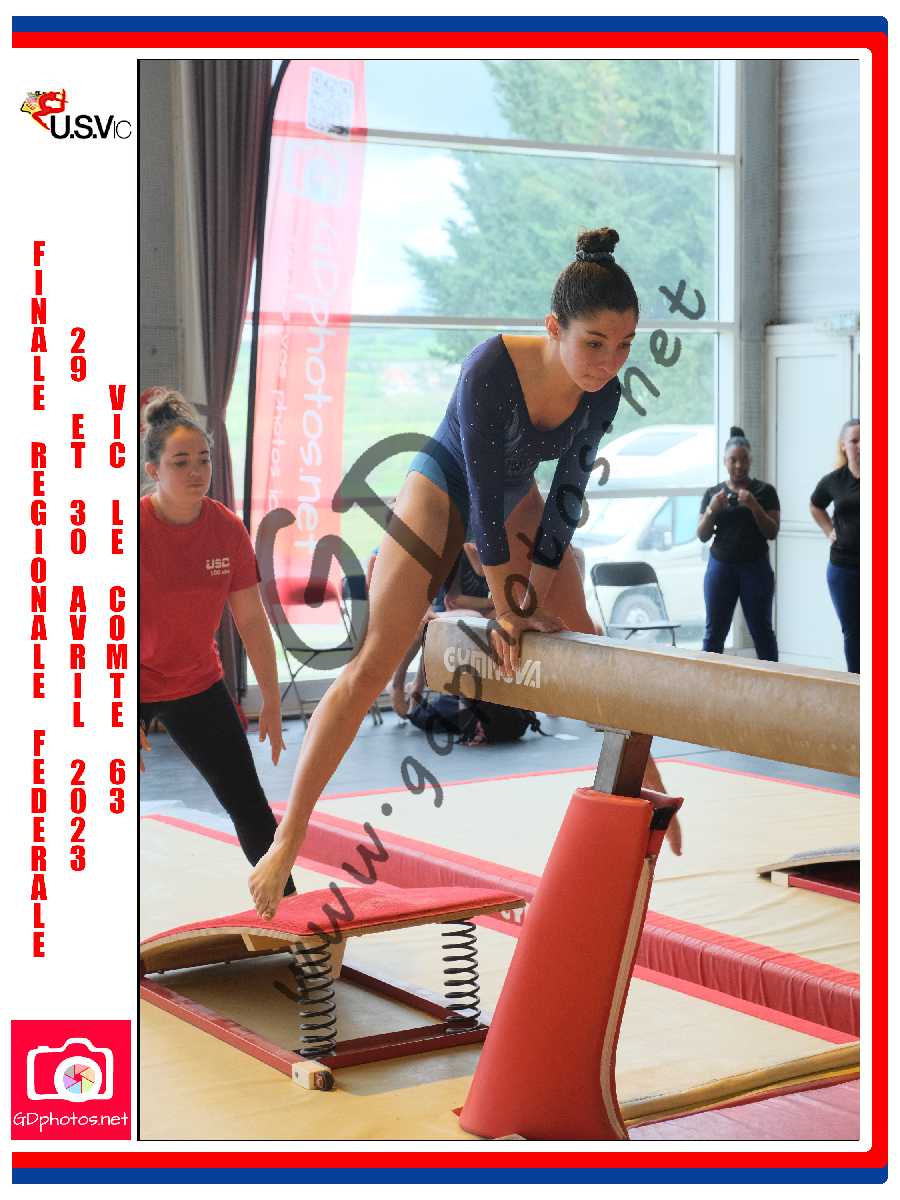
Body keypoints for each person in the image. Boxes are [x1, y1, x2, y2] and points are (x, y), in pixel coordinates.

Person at [250, 227, 672, 919]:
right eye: (594, 343)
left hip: (516, 496)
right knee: (372, 663)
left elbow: (566, 498)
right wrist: (507, 608)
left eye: (624, 345)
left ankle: (648, 789)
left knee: (586, 632)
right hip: (444, 485)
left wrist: (532, 599)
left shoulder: (603, 394)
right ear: (554, 328)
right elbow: (477, 493)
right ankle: (288, 835)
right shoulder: (491, 367)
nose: (608, 362)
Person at [139, 390, 295, 894]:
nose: (196, 471)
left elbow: (251, 620)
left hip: (195, 682)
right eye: (180, 462)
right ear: (153, 470)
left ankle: (289, 915)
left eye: (203, 459)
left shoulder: (226, 529)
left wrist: (271, 698)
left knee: (249, 805)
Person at [697, 427, 780, 661]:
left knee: (762, 632)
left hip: (756, 568)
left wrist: (754, 505)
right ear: (725, 461)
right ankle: (708, 680)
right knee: (714, 633)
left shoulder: (765, 492)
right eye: (733, 460)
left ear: (750, 461)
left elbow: (772, 531)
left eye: (743, 460)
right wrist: (712, 509)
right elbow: (702, 535)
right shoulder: (713, 493)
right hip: (721, 567)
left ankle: (772, 681)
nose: (738, 465)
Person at [810, 419, 860, 673]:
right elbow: (815, 504)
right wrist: (829, 530)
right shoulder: (834, 480)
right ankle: (857, 684)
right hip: (843, 568)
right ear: (843, 446)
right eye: (855, 441)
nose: (861, 446)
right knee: (853, 630)